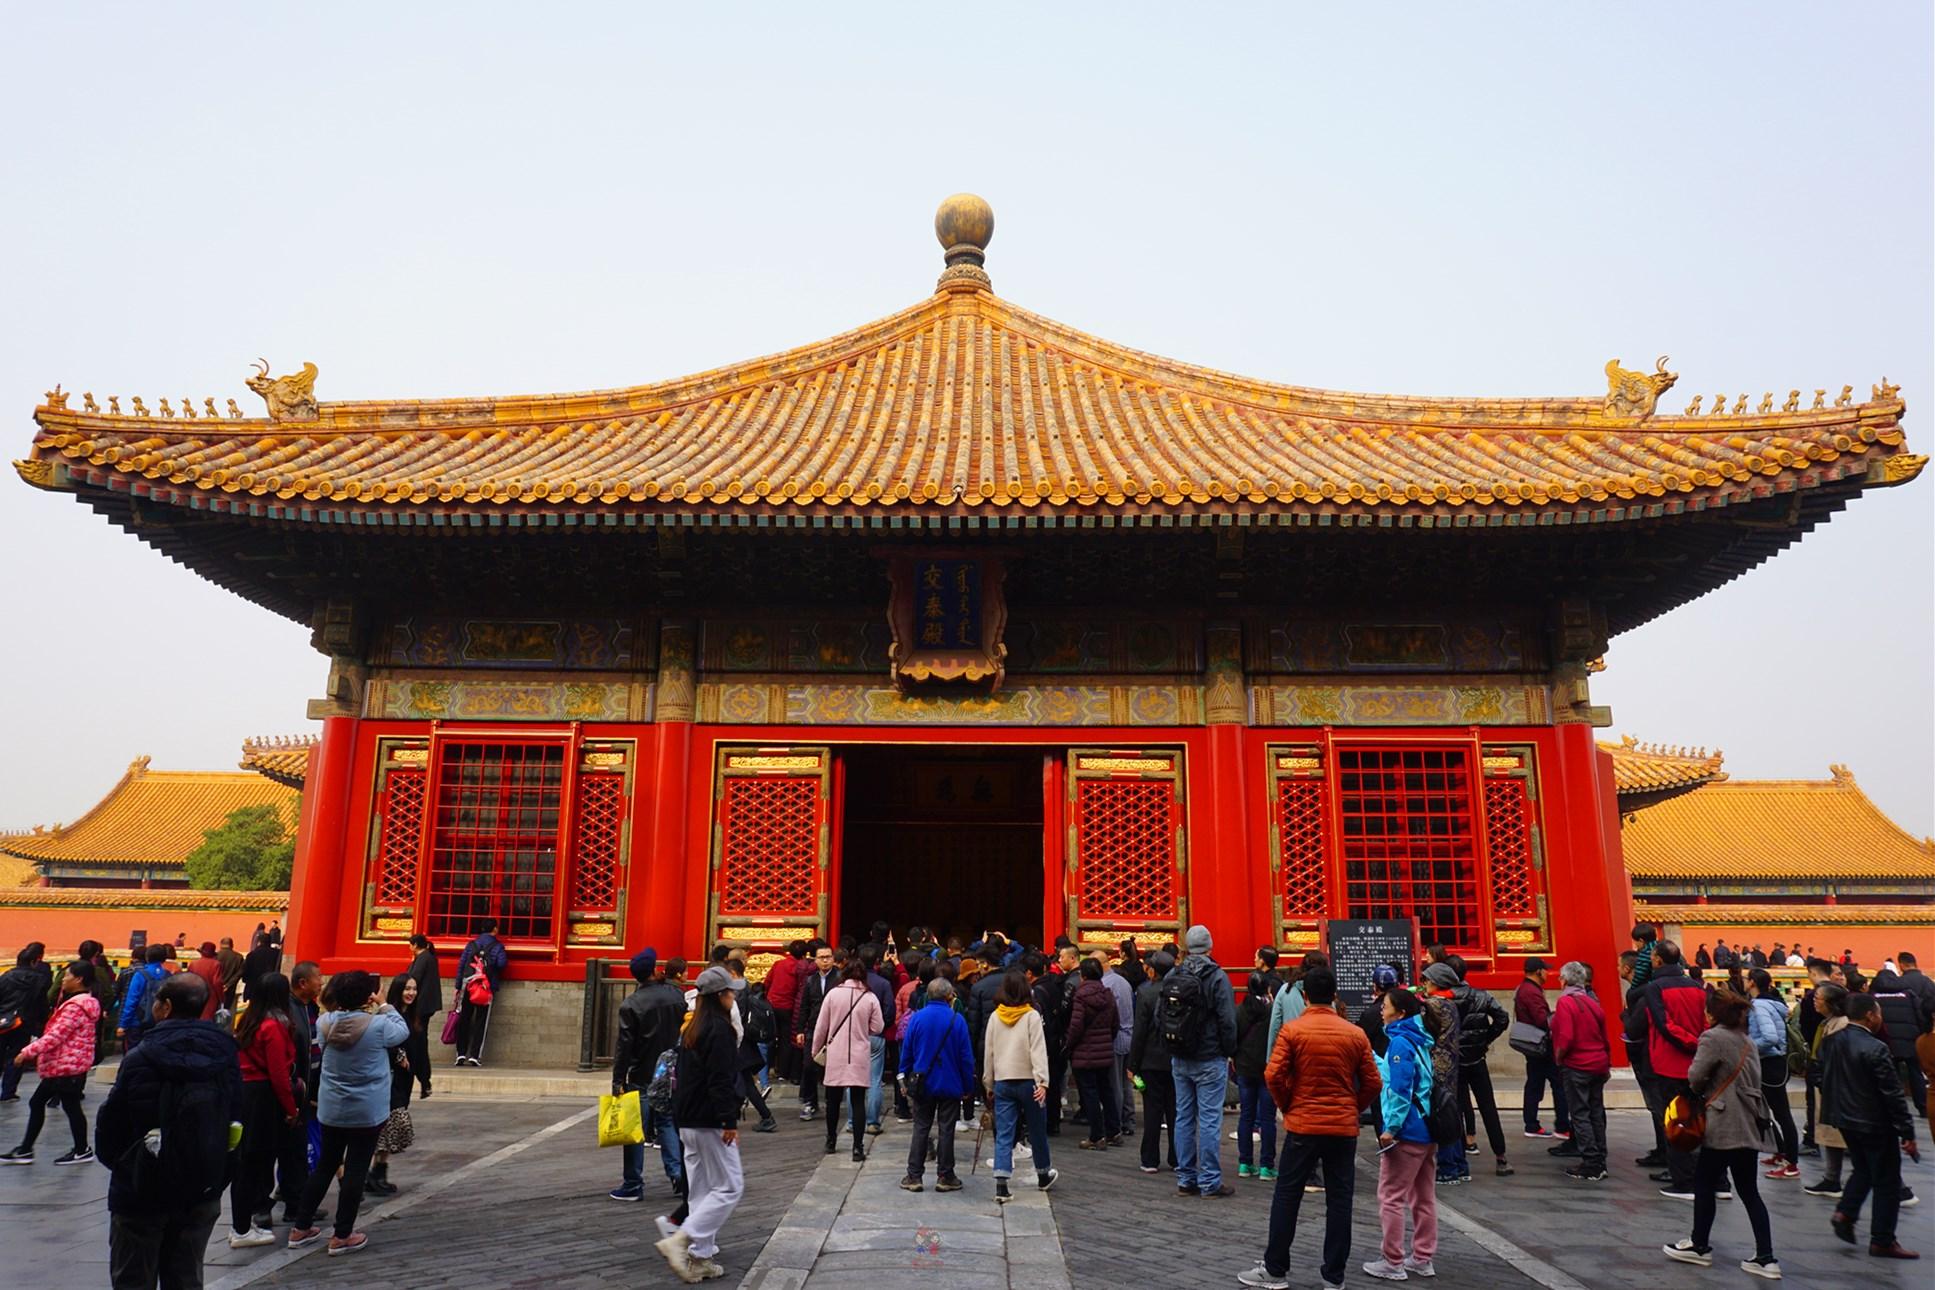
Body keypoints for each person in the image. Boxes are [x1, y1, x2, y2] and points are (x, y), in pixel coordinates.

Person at [94, 971, 240, 1290]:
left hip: (142, 1187)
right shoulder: (225, 1054)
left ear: (166, 1006)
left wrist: (127, 1166)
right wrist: (217, 1172)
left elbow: (111, 1123)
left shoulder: (141, 1057)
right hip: (201, 1184)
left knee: (133, 1277)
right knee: (186, 1275)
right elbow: (236, 1118)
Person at [1239, 967, 1379, 1290]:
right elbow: (1373, 1081)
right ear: (1334, 995)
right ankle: (1334, 1276)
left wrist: (1287, 1104)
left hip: (1304, 1123)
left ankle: (1275, 1268)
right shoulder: (1355, 1034)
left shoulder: (1293, 1031)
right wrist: (1352, 1106)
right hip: (1342, 1127)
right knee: (1340, 1200)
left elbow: (1273, 1074)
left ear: (1305, 997)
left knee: (1287, 1195)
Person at [285, 970, 409, 1257]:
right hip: (366, 1110)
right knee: (355, 1169)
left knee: (326, 1165)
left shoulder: (325, 1022)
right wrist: (384, 1004)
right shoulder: (379, 1026)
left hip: (332, 1108)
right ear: (367, 996)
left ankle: (301, 1227)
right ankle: (342, 1234)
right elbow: (401, 1031)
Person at [1662, 988, 1780, 1278]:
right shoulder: (1747, 1040)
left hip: (1723, 1120)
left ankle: (1699, 1245)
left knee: (1704, 1182)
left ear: (1713, 1014)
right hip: (1749, 1121)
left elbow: (1696, 1077)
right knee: (1749, 1190)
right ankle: (1766, 1257)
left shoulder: (1713, 1038)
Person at [655, 966, 745, 1284]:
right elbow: (720, 1080)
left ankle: (701, 1256)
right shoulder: (720, 1030)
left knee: (701, 1189)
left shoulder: (692, 1027)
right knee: (730, 1186)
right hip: (709, 1119)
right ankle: (683, 1238)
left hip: (688, 1119)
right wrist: (728, 1119)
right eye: (730, 992)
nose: (733, 997)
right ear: (720, 996)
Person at [1822, 993, 1921, 1259]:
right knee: (1887, 1180)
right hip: (1874, 1121)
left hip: (1843, 1117)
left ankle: (1846, 1212)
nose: (1880, 1018)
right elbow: (1892, 1094)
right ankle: (1882, 1239)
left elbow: (1820, 1074)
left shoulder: (1831, 1041)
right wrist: (1907, 1131)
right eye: (1878, 1013)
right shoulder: (1876, 1047)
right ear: (1869, 1015)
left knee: (1863, 1168)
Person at [1364, 985, 1436, 1280]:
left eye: (1386, 1006)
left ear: (1400, 1013)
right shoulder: (1419, 1040)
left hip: (1407, 1131)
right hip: (1427, 1127)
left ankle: (1393, 1260)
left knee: (1391, 1197)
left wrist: (1390, 1128)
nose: (1382, 1010)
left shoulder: (1400, 1043)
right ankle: (1422, 1257)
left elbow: (1401, 1089)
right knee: (1423, 1197)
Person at [1627, 940, 1708, 1198]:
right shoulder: (1696, 987)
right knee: (1698, 1120)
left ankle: (1683, 1180)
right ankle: (1712, 1179)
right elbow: (1706, 1022)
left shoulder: (1655, 988)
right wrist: (1699, 1044)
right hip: (1696, 1063)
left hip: (1668, 1062)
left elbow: (1664, 1024)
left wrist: (1688, 1042)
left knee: (1674, 1121)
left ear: (1658, 960)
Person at [1, 959, 101, 1166]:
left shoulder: (75, 1007)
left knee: (60, 1105)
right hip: (70, 1064)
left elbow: (55, 1036)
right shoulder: (86, 1003)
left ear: (79, 979)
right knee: (58, 1105)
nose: (63, 979)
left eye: (67, 975)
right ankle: (30, 1149)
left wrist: (25, 1052)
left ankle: (77, 1149)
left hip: (66, 1065)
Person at [226, 972, 299, 1249]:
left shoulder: (248, 1020)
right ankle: (242, 1228)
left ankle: (243, 1223)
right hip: (263, 1096)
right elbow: (279, 1073)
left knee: (246, 1161)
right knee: (255, 1163)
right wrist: (290, 1107)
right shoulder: (274, 1026)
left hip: (245, 1093)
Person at [610, 949, 688, 1205]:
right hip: (670, 1070)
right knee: (667, 1122)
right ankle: (678, 1174)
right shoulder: (676, 996)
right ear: (654, 970)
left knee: (635, 1129)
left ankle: (633, 1183)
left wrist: (618, 1080)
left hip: (642, 1072)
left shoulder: (631, 1004)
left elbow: (624, 1047)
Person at [1169, 924, 1239, 1199]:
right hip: (1210, 1056)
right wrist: (1229, 1050)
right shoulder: (1217, 977)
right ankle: (1210, 1181)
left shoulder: (1175, 974)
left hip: (1180, 1055)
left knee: (1183, 1117)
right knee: (1210, 1120)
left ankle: (1185, 1178)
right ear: (1210, 947)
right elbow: (1227, 1019)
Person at [984, 968, 1057, 1204]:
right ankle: (1043, 1173)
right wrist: (1043, 1081)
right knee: (1037, 1130)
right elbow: (1038, 1050)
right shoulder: (1031, 1016)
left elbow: (989, 1052)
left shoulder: (995, 1017)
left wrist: (988, 1082)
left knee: (1004, 1133)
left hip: (1003, 1081)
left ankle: (1001, 1182)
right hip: (1029, 1082)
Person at [898, 977, 975, 1192]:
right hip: (951, 1082)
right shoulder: (957, 1020)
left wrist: (903, 1078)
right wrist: (968, 1086)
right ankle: (945, 1175)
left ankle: (914, 1175)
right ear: (949, 996)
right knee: (946, 1129)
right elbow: (966, 1058)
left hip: (923, 1082)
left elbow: (907, 1051)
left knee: (921, 1127)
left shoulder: (917, 1018)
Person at [1441, 962, 1512, 1176]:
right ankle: (1501, 1156)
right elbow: (1502, 1018)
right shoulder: (1482, 995)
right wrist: (1485, 1039)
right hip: (1477, 1058)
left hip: (1455, 1061)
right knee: (1488, 1107)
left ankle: (1460, 1156)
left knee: (1457, 1108)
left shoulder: (1444, 999)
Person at [810, 959, 883, 1161]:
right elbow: (878, 1027)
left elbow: (821, 1026)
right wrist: (863, 1029)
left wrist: (815, 1049)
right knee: (858, 1101)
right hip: (859, 1053)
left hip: (836, 1053)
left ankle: (831, 1140)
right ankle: (857, 1147)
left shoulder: (833, 994)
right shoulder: (869, 997)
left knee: (833, 1100)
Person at [1549, 960, 1610, 1181]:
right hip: (1598, 1062)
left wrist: (1559, 1057)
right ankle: (1600, 1157)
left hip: (1577, 1064)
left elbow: (1566, 1036)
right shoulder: (1592, 1002)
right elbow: (1604, 1036)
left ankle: (1591, 1161)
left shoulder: (1566, 1002)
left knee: (1580, 1113)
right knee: (1596, 1112)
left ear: (1565, 980)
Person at [367, 974, 424, 1197]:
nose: (411, 993)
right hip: (389, 1078)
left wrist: (425, 1078)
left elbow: (420, 1048)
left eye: (414, 989)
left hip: (404, 1079)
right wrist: (398, 1054)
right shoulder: (387, 1014)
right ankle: (374, 1173)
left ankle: (378, 1171)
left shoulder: (414, 1016)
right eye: (407, 988)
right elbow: (382, 1041)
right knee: (388, 1125)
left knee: (391, 1127)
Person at [1128, 950, 1179, 1175]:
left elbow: (1139, 1031)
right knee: (1176, 1111)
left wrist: (1133, 1063)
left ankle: (1150, 1159)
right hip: (1176, 1058)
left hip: (1150, 1059)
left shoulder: (1145, 992)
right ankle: (1178, 1157)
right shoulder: (1182, 990)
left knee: (1152, 1111)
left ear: (1152, 970)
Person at [1747, 969, 1800, 1179]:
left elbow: (1769, 1037)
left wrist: (1748, 1047)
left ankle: (1791, 1162)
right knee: (1768, 1110)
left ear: (1752, 982)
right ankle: (1781, 1151)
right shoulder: (1770, 1004)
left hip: (1769, 1064)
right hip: (1772, 1063)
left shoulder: (1759, 1006)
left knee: (1781, 1113)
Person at [1065, 957, 1123, 1149]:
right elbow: (1115, 1023)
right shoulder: (1108, 994)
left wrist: (1069, 1045)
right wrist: (1106, 1040)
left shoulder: (1081, 996)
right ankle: (1114, 1131)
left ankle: (1097, 1135)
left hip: (1084, 1052)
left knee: (1089, 1093)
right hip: (1104, 1051)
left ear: (1083, 975)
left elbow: (1076, 1027)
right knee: (1107, 1091)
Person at [1514, 958, 1570, 1143]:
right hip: (1542, 1045)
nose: (1548, 973)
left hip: (1534, 1044)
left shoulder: (1525, 989)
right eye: (1545, 970)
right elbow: (1541, 1019)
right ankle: (1562, 1125)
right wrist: (1558, 1017)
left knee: (1535, 1083)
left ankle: (1532, 1124)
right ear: (1538, 971)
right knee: (1557, 1084)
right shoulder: (1531, 992)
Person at [1233, 970, 1279, 1180]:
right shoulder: (1272, 1011)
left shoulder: (1239, 1010)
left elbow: (1233, 1036)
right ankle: (1266, 1166)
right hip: (1267, 1068)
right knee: (1268, 1118)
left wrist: (1234, 1058)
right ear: (1267, 988)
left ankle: (1245, 1163)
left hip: (1244, 1067)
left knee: (1246, 1115)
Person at [727, 957, 777, 1132]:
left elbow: (736, 1019)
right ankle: (762, 1116)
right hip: (747, 1042)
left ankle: (765, 1116)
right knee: (744, 1081)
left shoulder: (736, 992)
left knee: (744, 1082)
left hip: (740, 1043)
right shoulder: (748, 988)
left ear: (733, 973)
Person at [0, 943, 53, 1101]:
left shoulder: (6, 976)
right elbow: (41, 1004)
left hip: (3, 1021)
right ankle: (8, 1091)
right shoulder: (40, 980)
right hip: (24, 1022)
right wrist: (43, 1022)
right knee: (17, 1056)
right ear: (34, 961)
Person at [452, 920, 506, 1067]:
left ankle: (461, 1053)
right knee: (481, 1021)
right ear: (495, 929)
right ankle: (475, 1055)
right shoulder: (497, 946)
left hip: (468, 986)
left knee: (464, 1019)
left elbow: (462, 965)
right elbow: (501, 964)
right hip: (485, 987)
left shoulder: (471, 945)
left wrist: (458, 986)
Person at [793, 942, 837, 1121]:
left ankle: (831, 1102)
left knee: (832, 1067)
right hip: (813, 1027)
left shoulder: (840, 979)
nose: (825, 961)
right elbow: (804, 1007)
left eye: (828, 957)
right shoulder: (811, 980)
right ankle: (810, 1102)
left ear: (833, 959)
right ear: (815, 960)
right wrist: (800, 1029)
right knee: (809, 1066)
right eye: (822, 957)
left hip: (834, 1028)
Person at [402, 935, 442, 1098]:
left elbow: (413, 980)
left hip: (419, 1008)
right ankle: (424, 1080)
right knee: (419, 1042)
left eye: (410, 945)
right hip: (424, 1007)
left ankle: (423, 1079)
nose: (409, 948)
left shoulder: (423, 959)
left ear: (416, 945)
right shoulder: (428, 958)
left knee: (417, 1043)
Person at [765, 940, 808, 1086]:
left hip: (772, 1004)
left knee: (769, 1038)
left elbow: (768, 981)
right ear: (804, 954)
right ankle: (783, 1072)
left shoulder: (778, 964)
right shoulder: (800, 967)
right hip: (788, 1007)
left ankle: (767, 1069)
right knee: (786, 1040)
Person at [117, 945, 172, 1055]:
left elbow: (131, 1000)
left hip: (138, 1022)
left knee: (134, 1055)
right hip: (160, 1022)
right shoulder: (168, 975)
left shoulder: (140, 975)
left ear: (147, 957)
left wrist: (123, 1024)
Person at [240, 932, 280, 1001]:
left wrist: (246, 980)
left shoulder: (252, 954)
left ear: (259, 942)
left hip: (254, 987)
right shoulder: (277, 954)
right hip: (271, 987)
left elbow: (246, 971)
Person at [216, 937, 245, 1012]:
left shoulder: (215, 956)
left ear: (220, 944)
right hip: (230, 989)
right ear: (232, 945)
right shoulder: (238, 957)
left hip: (216, 988)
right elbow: (240, 973)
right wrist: (228, 985)